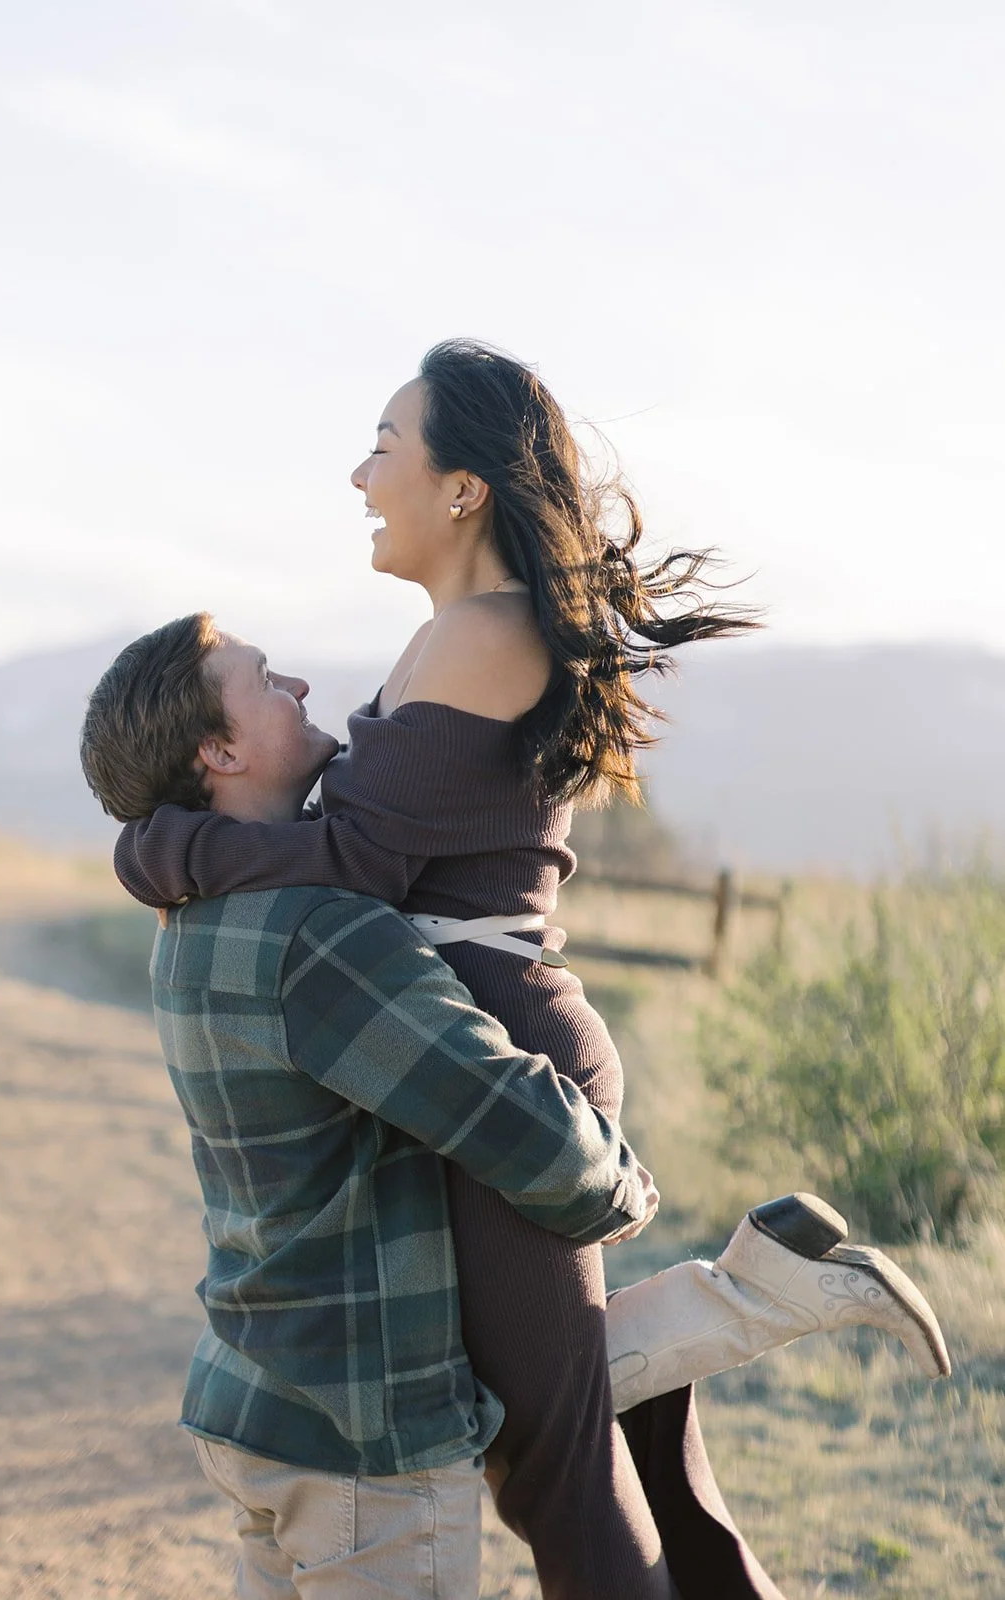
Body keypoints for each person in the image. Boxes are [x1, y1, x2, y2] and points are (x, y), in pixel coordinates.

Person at [112, 343, 949, 1599]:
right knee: (592, 1424)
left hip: (493, 1052)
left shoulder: (484, 638)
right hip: (460, 1033)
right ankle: (767, 1291)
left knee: (551, 1459)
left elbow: (351, 867)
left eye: (385, 445)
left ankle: (767, 1288)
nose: (359, 472)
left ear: (460, 487)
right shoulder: (449, 636)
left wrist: (160, 840)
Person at [80, 612, 660, 1600]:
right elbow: (497, 1108)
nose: (300, 686)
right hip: (360, 1440)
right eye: (264, 681)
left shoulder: (189, 917)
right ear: (218, 750)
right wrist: (624, 1190)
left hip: (254, 1403)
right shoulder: (317, 933)